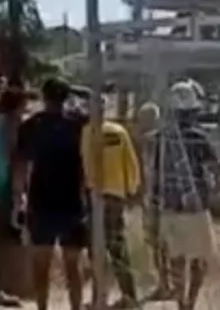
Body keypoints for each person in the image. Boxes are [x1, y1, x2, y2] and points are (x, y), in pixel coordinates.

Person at [13, 77, 87, 310]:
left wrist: (18, 200)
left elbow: (21, 166)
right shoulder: (78, 125)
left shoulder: (31, 126)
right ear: (66, 97)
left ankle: (43, 307)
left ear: (44, 97)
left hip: (41, 202)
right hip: (72, 202)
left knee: (40, 266)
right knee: (73, 266)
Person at [150, 80, 220, 310]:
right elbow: (214, 168)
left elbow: (155, 171)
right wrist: (215, 189)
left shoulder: (162, 137)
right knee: (200, 258)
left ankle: (181, 301)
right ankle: (191, 300)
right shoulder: (198, 137)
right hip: (196, 207)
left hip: (169, 207)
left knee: (177, 257)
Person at [80, 107, 141, 309]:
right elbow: (131, 164)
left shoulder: (87, 132)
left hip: (95, 195)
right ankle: (129, 297)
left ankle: (99, 298)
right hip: (116, 195)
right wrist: (130, 188)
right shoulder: (119, 131)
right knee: (117, 247)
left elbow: (84, 163)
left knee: (96, 247)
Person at [0, 86, 29, 307]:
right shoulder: (12, 125)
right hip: (8, 188)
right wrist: (19, 194)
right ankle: (3, 290)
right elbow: (16, 158)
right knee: (9, 244)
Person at [135, 101, 171, 301]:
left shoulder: (155, 139)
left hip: (160, 197)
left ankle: (167, 283)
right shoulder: (151, 139)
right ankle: (164, 283)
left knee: (162, 243)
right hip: (153, 196)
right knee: (156, 243)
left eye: (145, 119)